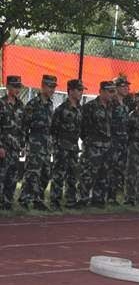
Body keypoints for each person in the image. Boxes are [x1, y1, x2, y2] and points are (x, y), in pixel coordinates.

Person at [19, 74, 57, 210]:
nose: (52, 90)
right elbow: (24, 125)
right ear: (43, 86)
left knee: (46, 173)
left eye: (54, 87)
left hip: (47, 143)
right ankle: (24, 198)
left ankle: (38, 199)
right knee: (32, 172)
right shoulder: (33, 104)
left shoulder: (50, 105)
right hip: (35, 142)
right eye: (50, 87)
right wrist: (23, 144)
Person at [79, 81, 115, 207]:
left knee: (103, 174)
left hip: (107, 146)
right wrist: (89, 142)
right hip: (93, 146)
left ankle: (98, 199)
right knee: (88, 174)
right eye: (110, 91)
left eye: (113, 91)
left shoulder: (112, 107)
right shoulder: (90, 107)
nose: (112, 94)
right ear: (101, 91)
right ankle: (83, 198)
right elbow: (82, 127)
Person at [50, 79, 84, 210]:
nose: (81, 93)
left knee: (72, 175)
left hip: (74, 147)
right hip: (61, 147)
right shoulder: (61, 109)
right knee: (59, 175)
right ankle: (55, 202)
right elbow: (53, 129)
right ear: (71, 91)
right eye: (79, 90)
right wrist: (57, 146)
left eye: (81, 90)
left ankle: (71, 201)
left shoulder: (80, 109)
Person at [0, 75, 25, 210]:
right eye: (15, 86)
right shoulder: (1, 103)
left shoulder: (20, 105)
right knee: (1, 175)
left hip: (15, 147)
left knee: (13, 176)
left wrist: (22, 145)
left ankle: (7, 203)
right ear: (8, 86)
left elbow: (22, 126)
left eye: (18, 87)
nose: (17, 89)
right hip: (4, 146)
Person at [108, 76, 132, 204]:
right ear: (117, 88)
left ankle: (113, 196)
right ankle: (109, 196)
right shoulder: (112, 103)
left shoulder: (125, 106)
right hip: (113, 141)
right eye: (124, 86)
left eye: (128, 86)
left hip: (123, 142)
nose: (127, 88)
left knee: (119, 170)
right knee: (111, 168)